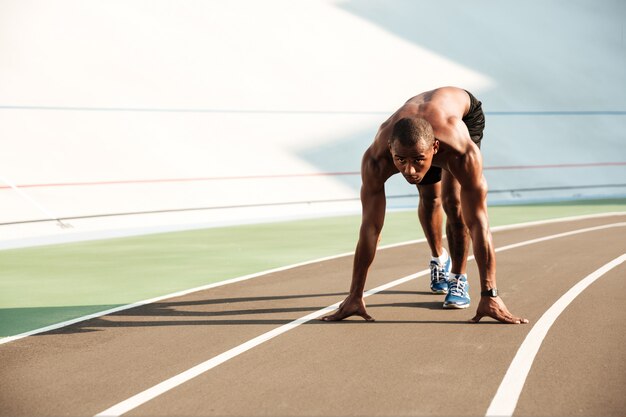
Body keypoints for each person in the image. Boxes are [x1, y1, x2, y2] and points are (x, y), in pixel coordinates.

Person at [321, 86, 528, 324]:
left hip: (462, 116)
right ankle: (438, 258)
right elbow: (370, 228)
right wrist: (355, 295)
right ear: (391, 149)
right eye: (401, 161)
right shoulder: (376, 159)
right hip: (418, 132)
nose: (409, 170)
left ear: (434, 149)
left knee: (454, 203)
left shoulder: (461, 152)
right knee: (430, 199)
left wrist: (489, 293)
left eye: (418, 161)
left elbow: (479, 223)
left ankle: (458, 276)